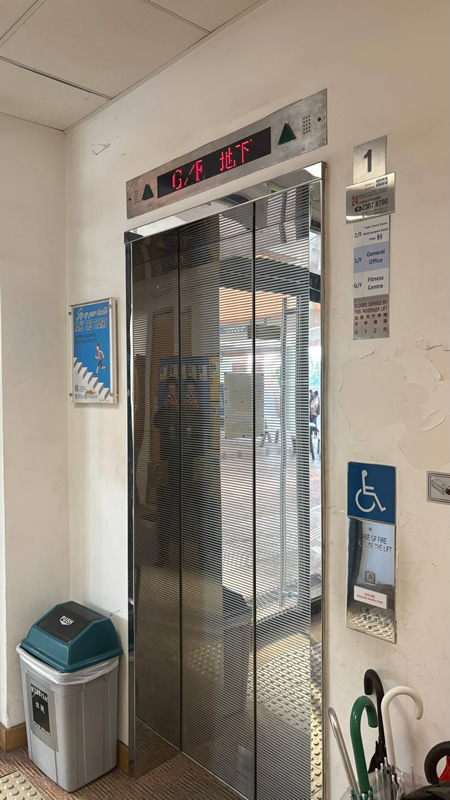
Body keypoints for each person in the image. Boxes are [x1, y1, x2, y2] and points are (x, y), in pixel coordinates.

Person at [153, 378, 180, 566]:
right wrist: (164, 407)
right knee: (163, 512)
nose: (171, 395)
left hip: (183, 467)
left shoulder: (185, 411)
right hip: (165, 466)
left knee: (180, 511)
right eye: (168, 392)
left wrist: (178, 409)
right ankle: (162, 553)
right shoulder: (162, 412)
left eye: (174, 392)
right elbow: (156, 423)